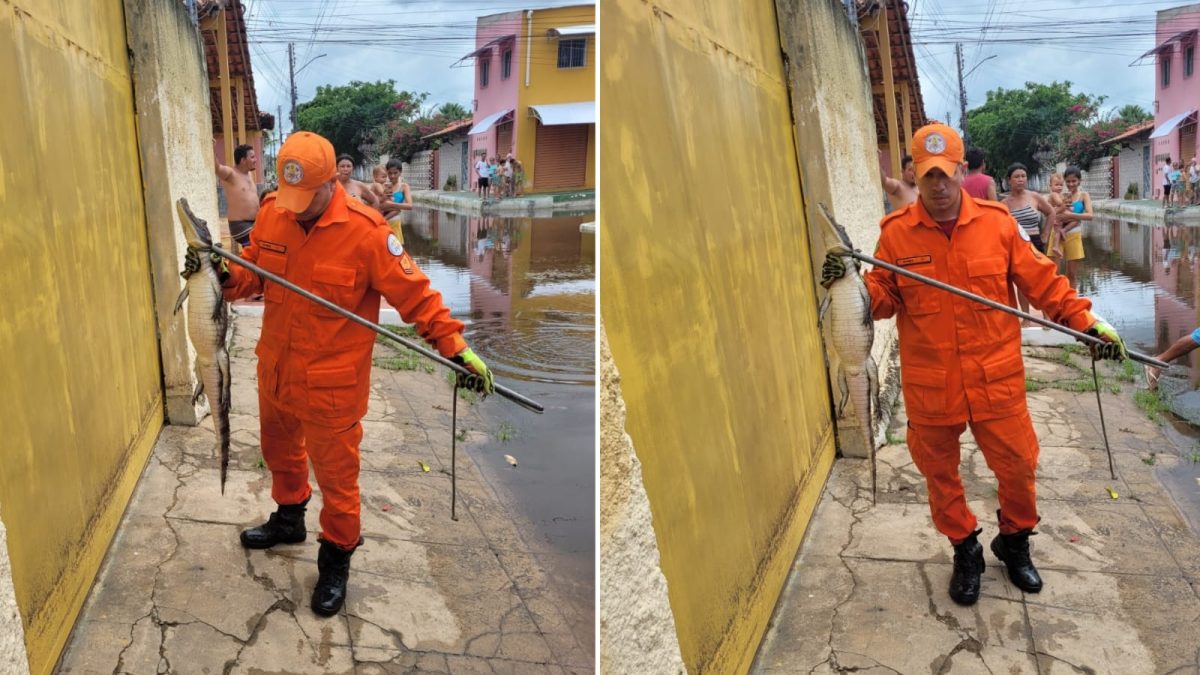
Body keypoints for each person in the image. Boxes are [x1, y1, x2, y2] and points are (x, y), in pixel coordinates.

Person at [185, 131, 494, 617]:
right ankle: (289, 520)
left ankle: (336, 559)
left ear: (334, 181)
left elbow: (418, 299)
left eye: (309, 196)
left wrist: (455, 349)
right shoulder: (274, 214)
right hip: (277, 371)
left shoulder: (368, 233)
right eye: (292, 198)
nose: (299, 208)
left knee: (338, 481)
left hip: (333, 386)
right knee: (279, 454)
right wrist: (221, 276)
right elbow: (255, 274)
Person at [821, 123, 1126, 607]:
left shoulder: (998, 224)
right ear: (915, 177)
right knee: (940, 475)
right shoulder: (896, 235)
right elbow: (880, 299)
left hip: (995, 379)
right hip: (932, 385)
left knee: (1020, 466)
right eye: (927, 177)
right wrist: (851, 283)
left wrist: (1089, 327)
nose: (938, 186)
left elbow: (1046, 286)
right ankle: (965, 550)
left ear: (963, 170)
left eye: (946, 174)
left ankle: (1014, 541)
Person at [1003, 163, 1059, 326]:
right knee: (1021, 282)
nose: (1020, 180)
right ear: (1009, 180)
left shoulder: (1034, 197)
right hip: (1017, 245)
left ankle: (1046, 316)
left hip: (1035, 242)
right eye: (1016, 177)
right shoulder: (1005, 203)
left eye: (1023, 176)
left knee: (1040, 280)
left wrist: (1045, 234)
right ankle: (1026, 318)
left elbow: (1051, 212)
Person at [216, 143, 260, 247]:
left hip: (254, 222)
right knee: (260, 245)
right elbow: (217, 168)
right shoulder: (231, 174)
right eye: (252, 157)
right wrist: (211, 146)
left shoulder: (249, 174)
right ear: (243, 160)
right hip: (240, 225)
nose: (256, 160)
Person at [1058, 166, 1092, 289]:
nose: (1071, 184)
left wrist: (1071, 215)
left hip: (1074, 234)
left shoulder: (1084, 195)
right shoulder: (1062, 195)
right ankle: (1060, 298)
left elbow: (1090, 215)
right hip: (1058, 234)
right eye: (1068, 181)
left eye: (1074, 181)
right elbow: (1055, 212)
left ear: (1079, 181)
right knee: (1055, 273)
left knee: (1072, 273)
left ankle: (1072, 301)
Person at [378, 158, 412, 242]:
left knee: (396, 249)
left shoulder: (404, 186)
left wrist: (391, 205)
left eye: (395, 173)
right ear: (387, 172)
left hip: (395, 222)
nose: (392, 176)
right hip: (382, 222)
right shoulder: (382, 185)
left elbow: (410, 206)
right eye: (390, 173)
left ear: (400, 172)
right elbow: (378, 204)